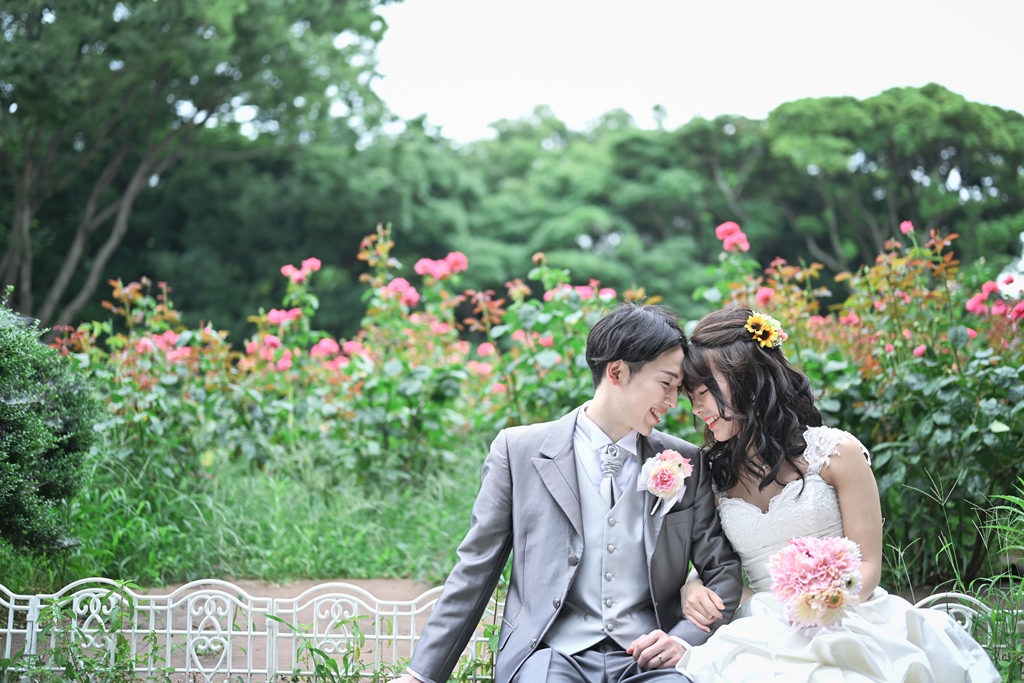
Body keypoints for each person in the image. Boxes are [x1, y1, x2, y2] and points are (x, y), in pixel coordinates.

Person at [390, 302, 743, 683]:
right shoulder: (518, 451)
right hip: (550, 655)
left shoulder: (685, 461)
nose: (673, 402)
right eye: (665, 384)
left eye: (678, 389)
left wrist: (684, 641)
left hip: (651, 660)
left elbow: (722, 568)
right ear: (617, 371)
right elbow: (475, 568)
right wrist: (420, 675)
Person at [674, 306, 1000, 682]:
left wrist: (822, 603)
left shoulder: (835, 453)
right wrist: (693, 584)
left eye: (703, 392)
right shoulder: (714, 476)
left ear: (745, 378)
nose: (697, 409)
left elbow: (869, 567)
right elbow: (717, 566)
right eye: (690, 396)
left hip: (846, 612)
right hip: (762, 622)